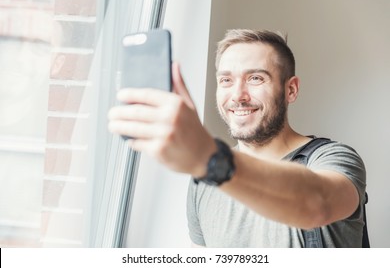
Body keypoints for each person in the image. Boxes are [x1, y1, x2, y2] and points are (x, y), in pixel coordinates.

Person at [108, 29, 366, 247]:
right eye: (226, 80)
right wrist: (208, 163)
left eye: (255, 78)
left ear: (291, 89)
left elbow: (317, 203)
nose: (238, 95)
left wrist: (210, 158)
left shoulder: (333, 158)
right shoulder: (203, 181)